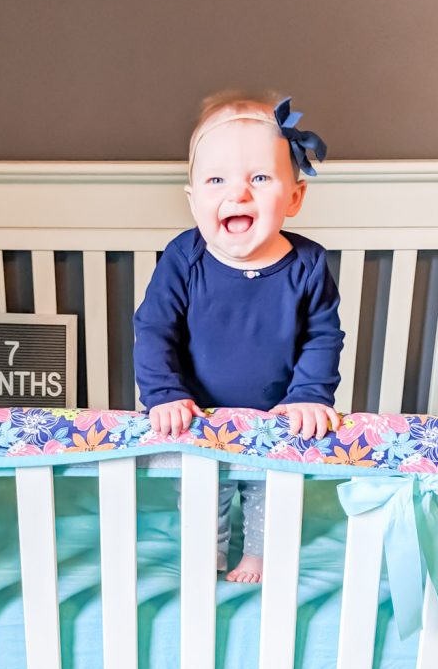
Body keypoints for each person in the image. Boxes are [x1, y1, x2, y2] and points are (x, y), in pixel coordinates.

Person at [133, 90, 344, 584]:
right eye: (216, 180)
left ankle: (259, 555)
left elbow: (322, 336)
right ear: (193, 200)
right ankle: (208, 552)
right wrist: (165, 394)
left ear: (294, 196)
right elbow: (154, 328)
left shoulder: (308, 265)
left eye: (260, 178)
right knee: (204, 489)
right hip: (198, 415)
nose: (238, 193)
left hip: (277, 418)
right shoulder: (183, 258)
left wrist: (310, 396)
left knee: (270, 489)